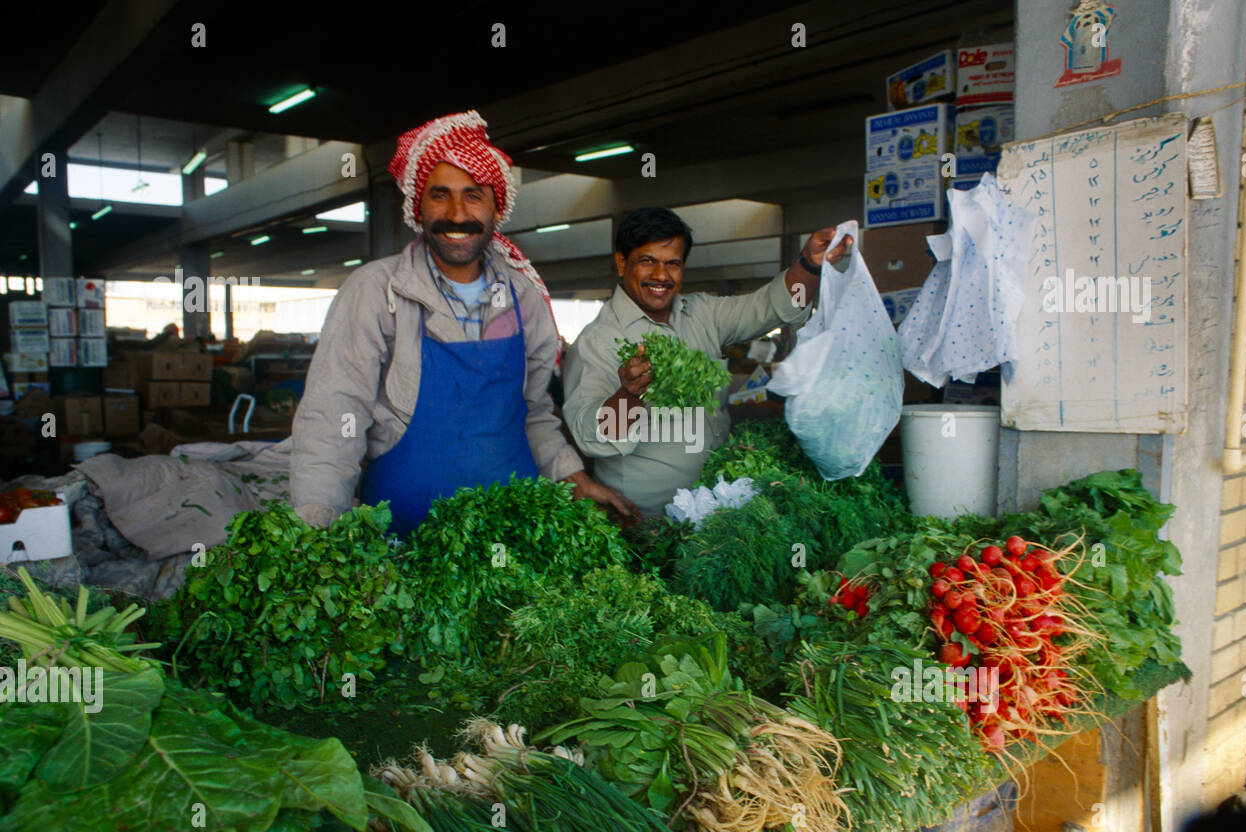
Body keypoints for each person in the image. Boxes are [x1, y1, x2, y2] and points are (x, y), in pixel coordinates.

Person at [290, 111, 634, 534]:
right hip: (403, 539)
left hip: (514, 533)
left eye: (473, 195)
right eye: (440, 195)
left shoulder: (523, 298)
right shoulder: (376, 292)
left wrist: (573, 477)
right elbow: (333, 417)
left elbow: (532, 412)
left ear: (496, 207)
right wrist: (318, 527)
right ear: (419, 204)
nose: (456, 213)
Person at [563, 206, 851, 517]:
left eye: (673, 264)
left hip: (718, 509)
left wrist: (809, 265)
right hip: (647, 522)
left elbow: (767, 306)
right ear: (622, 263)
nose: (661, 275)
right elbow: (591, 436)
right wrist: (629, 395)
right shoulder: (598, 341)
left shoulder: (702, 314)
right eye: (648, 261)